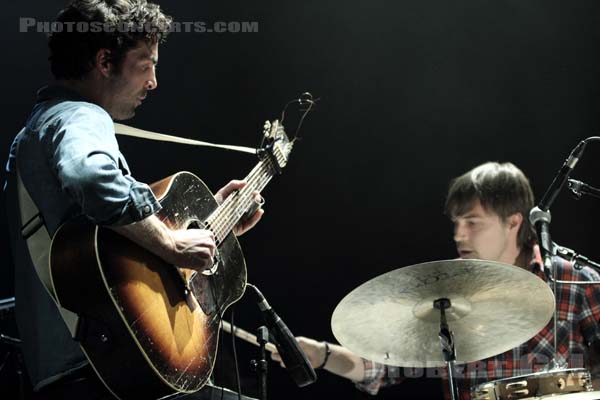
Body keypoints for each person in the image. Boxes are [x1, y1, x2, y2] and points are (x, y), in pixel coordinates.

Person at [3, 1, 263, 398]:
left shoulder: (41, 130)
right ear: (105, 61)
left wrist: (219, 226)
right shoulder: (79, 116)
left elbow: (107, 248)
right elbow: (91, 177)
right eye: (147, 63)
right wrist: (172, 242)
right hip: (98, 367)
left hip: (77, 368)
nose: (154, 81)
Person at [273, 162, 600, 399]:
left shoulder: (576, 281)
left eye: (472, 223)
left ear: (513, 222)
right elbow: (382, 367)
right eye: (456, 223)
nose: (459, 235)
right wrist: (321, 354)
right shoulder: (444, 290)